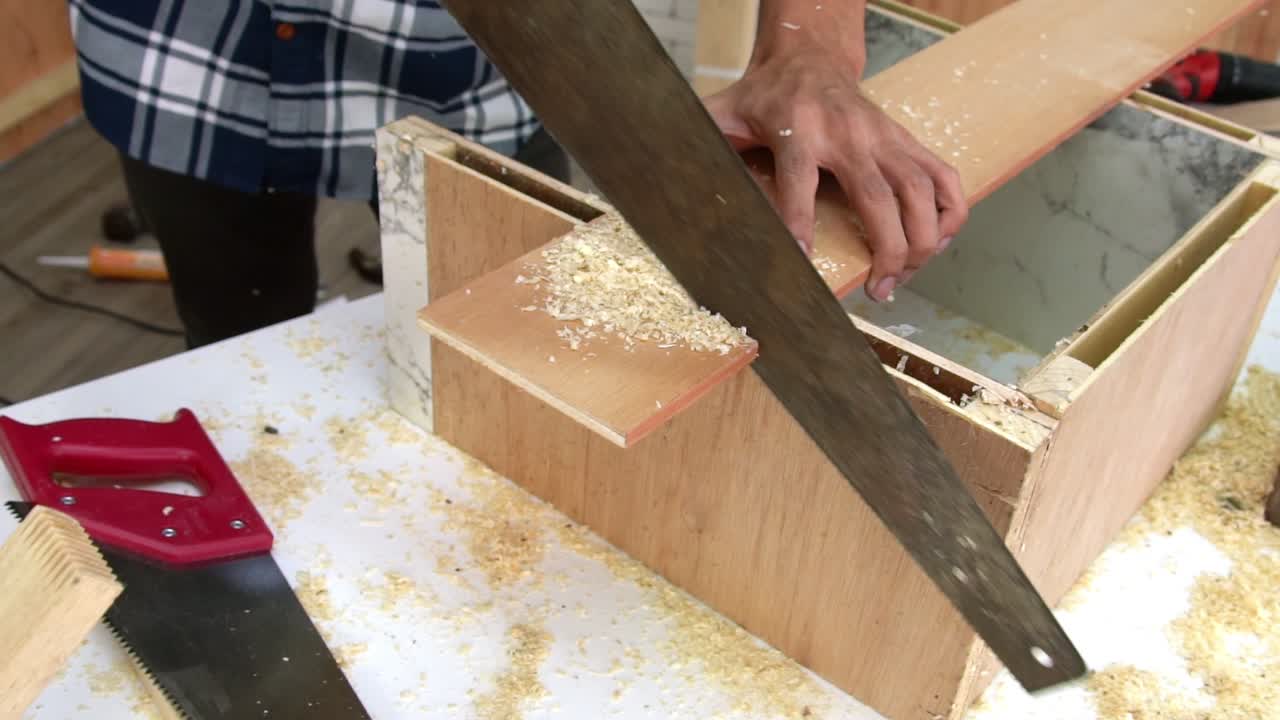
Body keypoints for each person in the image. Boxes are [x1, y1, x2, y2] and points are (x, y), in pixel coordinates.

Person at [68, 0, 967, 348]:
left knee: (507, 354)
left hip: (478, 60)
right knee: (235, 346)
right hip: (185, 54)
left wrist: (809, 45)